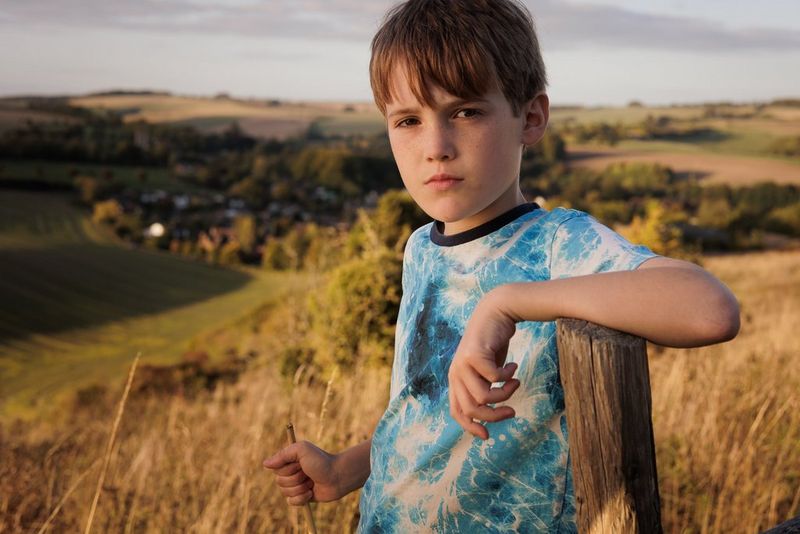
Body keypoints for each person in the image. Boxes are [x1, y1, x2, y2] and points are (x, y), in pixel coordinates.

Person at [263, 0, 741, 531]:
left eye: (466, 111)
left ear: (530, 118)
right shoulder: (420, 248)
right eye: (408, 120)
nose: (436, 148)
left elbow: (710, 310)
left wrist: (508, 300)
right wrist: (342, 469)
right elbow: (424, 415)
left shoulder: (558, 245)